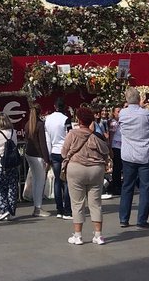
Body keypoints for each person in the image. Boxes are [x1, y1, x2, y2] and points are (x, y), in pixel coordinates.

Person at [61, 106, 109, 245]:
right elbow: (105, 150)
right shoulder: (96, 136)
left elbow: (64, 153)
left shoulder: (72, 134)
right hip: (96, 170)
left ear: (78, 120)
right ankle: (98, 235)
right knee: (95, 203)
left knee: (77, 203)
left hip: (76, 169)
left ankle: (78, 235)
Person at [118, 88, 149, 230]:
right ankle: (142, 220)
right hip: (145, 155)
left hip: (129, 155)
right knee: (145, 188)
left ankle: (124, 219)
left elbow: (129, 111)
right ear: (139, 99)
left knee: (127, 187)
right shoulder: (147, 114)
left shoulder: (122, 114)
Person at [45, 100, 72, 219]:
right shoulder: (66, 119)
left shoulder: (48, 119)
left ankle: (59, 209)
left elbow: (47, 138)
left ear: (54, 106)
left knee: (57, 180)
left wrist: (49, 155)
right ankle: (67, 210)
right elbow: (70, 135)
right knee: (67, 181)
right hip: (65, 152)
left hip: (54, 152)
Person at [24, 104, 50, 217]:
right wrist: (47, 159)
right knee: (39, 182)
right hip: (38, 156)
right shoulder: (39, 125)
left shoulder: (27, 124)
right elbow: (43, 144)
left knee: (35, 181)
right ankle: (38, 208)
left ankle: (36, 207)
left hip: (29, 154)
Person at [107, 106, 123, 196]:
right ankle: (116, 186)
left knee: (119, 167)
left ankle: (118, 185)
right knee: (117, 167)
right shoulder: (113, 123)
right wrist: (110, 148)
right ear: (114, 113)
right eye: (118, 111)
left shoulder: (121, 122)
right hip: (115, 146)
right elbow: (111, 135)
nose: (119, 113)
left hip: (122, 146)